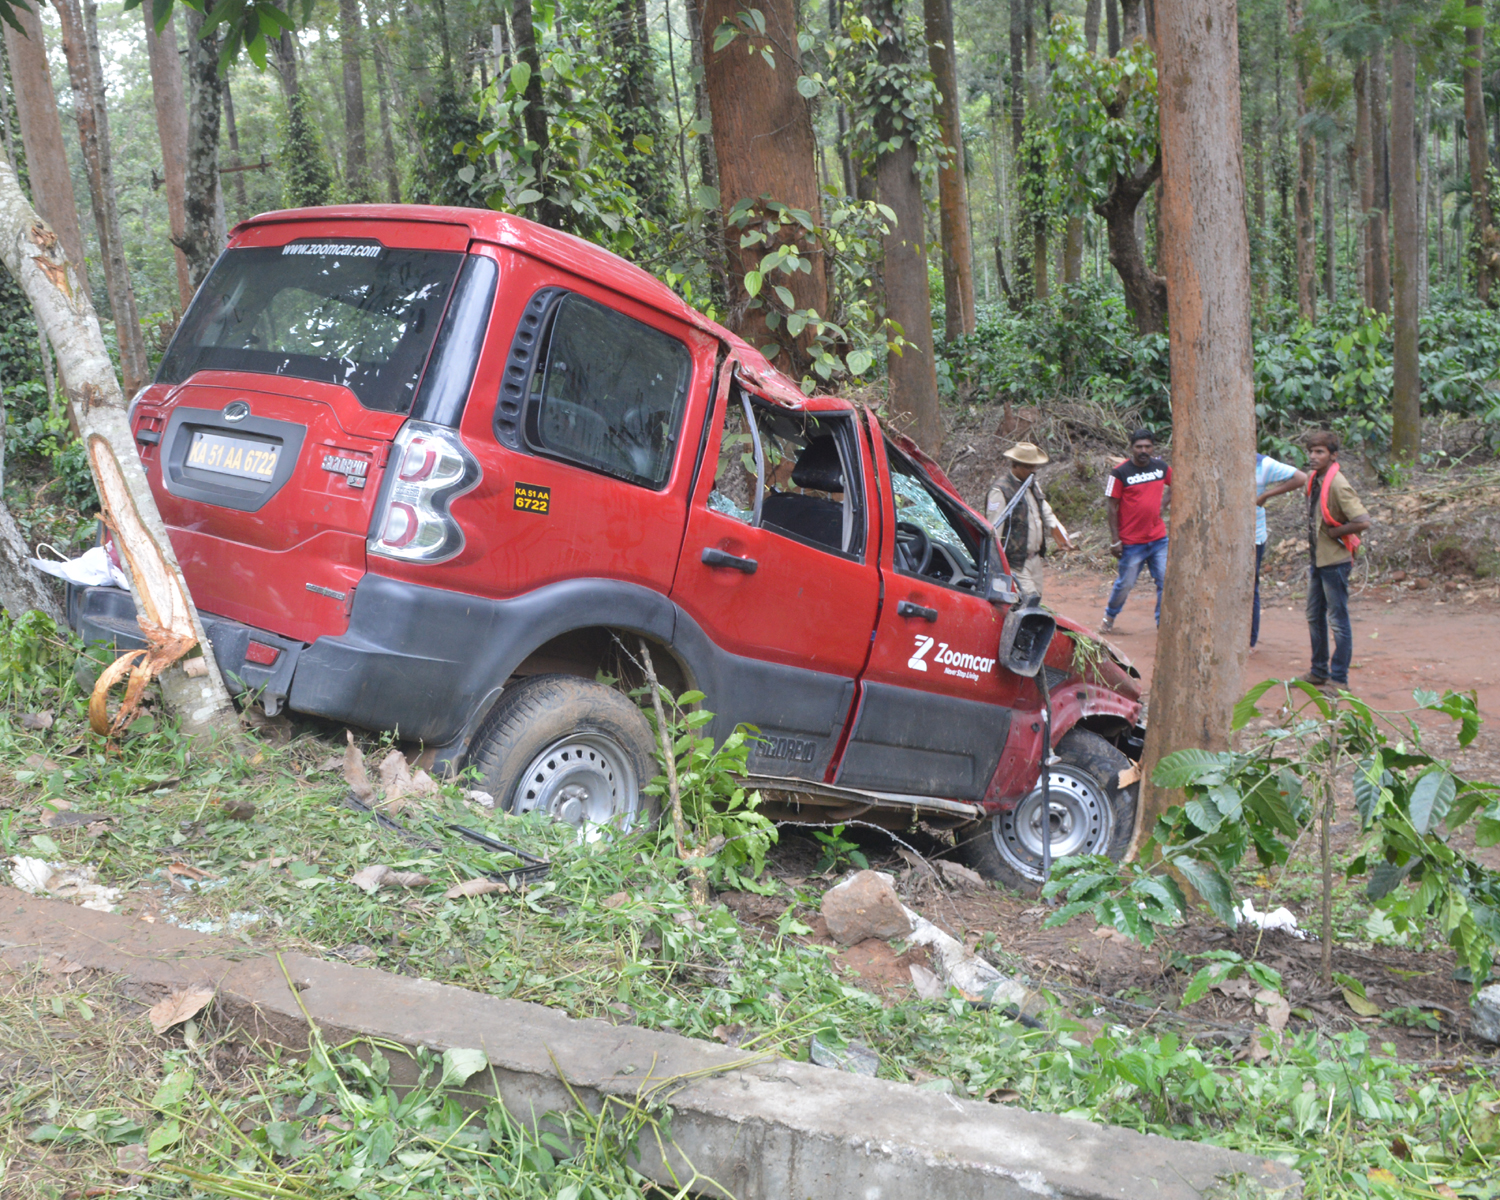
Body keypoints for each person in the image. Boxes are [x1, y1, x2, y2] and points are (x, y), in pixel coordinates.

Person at [1300, 430, 1371, 693]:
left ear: (1333, 455)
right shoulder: (1314, 480)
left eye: (1320, 452)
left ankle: (1339, 679)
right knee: (1313, 615)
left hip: (1335, 562)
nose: (1313, 456)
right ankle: (1319, 671)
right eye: (1311, 451)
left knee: (1338, 620)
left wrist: (1336, 532)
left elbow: (1363, 521)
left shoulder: (1338, 484)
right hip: (1318, 561)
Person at [1099, 429, 1170, 635]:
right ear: (1131, 448)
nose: (1143, 450)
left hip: (1158, 539)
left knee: (1165, 580)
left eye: (1147, 446)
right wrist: (1115, 540)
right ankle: (1109, 617)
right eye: (1139, 447)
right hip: (1131, 542)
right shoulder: (1120, 472)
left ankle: (1162, 623)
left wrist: (1165, 502)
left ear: (1153, 448)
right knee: (1125, 584)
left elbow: (1176, 484)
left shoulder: (1161, 467)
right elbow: (1111, 507)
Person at [986, 442, 1072, 600]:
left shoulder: (1032, 484)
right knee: (1027, 600)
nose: (1033, 470)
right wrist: (997, 565)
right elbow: (994, 531)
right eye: (1028, 467)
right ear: (1015, 465)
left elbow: (1046, 512)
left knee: (1036, 598)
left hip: (1034, 560)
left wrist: (1061, 535)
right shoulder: (1001, 491)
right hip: (1015, 562)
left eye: (1035, 466)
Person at [1252, 452, 1307, 648]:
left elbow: (1300, 477)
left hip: (1252, 537)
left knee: (1249, 589)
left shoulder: (1262, 464)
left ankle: (1249, 641)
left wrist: (1266, 495)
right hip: (1223, 536)